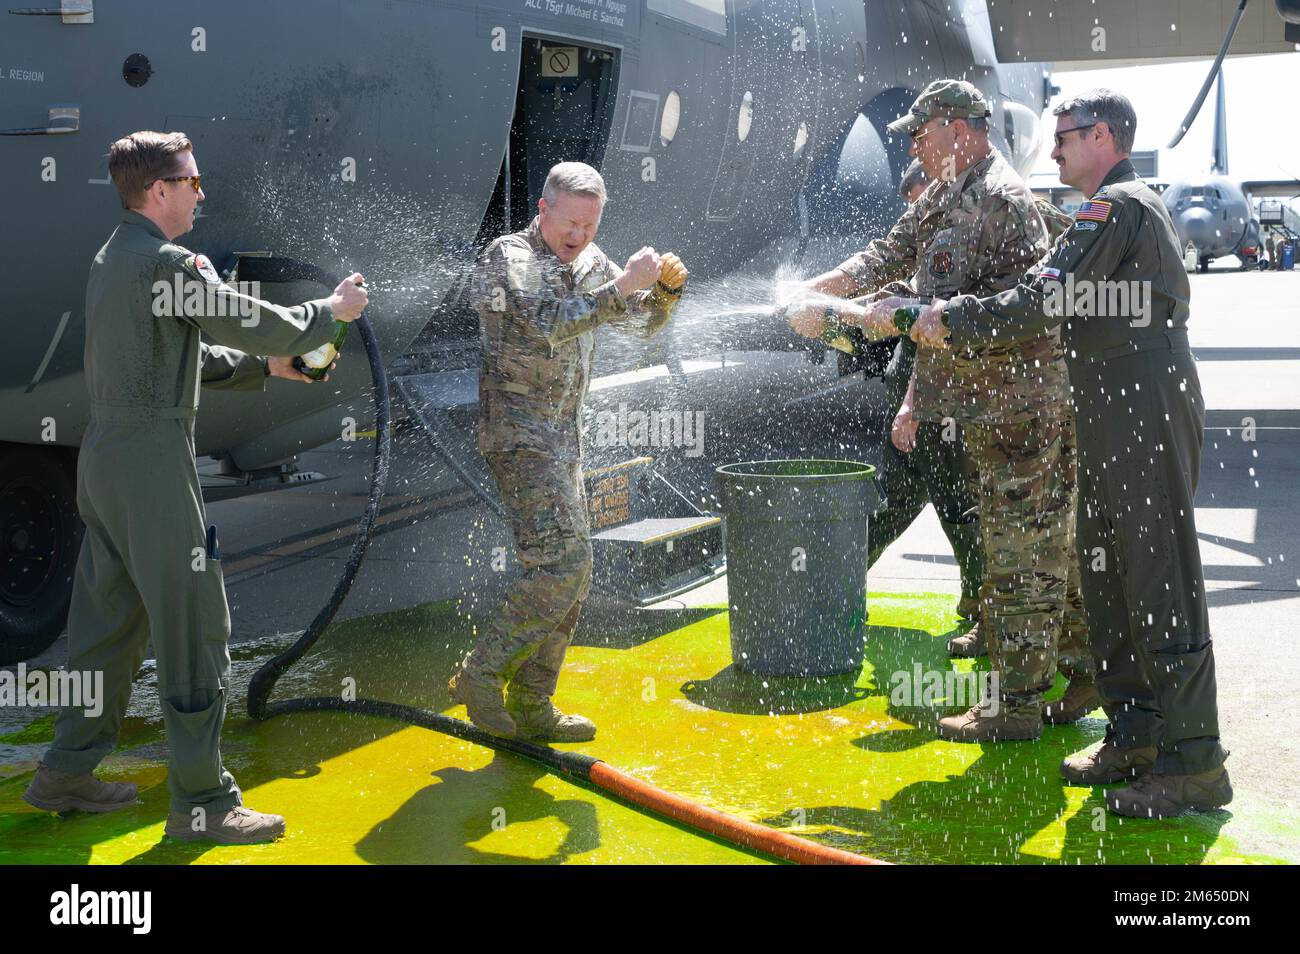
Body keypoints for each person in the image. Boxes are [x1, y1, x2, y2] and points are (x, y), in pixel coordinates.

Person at [22, 131, 369, 842]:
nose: (201, 193)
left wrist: (265, 372)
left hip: (107, 457)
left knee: (107, 621)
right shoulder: (170, 261)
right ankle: (204, 801)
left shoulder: (116, 257)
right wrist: (329, 315)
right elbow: (257, 325)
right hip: (152, 458)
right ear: (159, 192)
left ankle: (65, 771)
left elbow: (178, 347)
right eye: (191, 181)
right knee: (194, 624)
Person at [911, 89, 1231, 817]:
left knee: (1159, 576)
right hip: (1112, 400)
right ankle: (1137, 735)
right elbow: (1043, 289)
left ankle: (1194, 762)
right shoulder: (1103, 213)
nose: (1053, 149)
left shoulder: (1117, 209)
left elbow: (1041, 299)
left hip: (1141, 397)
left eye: (1067, 136)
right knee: (1111, 570)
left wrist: (950, 319)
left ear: (1107, 137)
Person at [788, 79, 1096, 741]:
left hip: (1022, 410)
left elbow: (1002, 314)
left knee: (1017, 556)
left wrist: (908, 317)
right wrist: (817, 295)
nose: (916, 148)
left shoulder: (1004, 201)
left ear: (960, 128)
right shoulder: (939, 197)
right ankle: (1083, 669)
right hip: (978, 408)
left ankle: (1014, 707)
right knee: (1039, 549)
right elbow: (884, 260)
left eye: (922, 134)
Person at [449, 162, 686, 742]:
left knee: (571, 573)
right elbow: (544, 325)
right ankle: (481, 674)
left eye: (589, 224)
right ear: (542, 209)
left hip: (562, 440)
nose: (579, 235)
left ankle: (533, 700)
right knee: (563, 565)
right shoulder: (511, 258)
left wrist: (666, 293)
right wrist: (624, 284)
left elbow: (634, 327)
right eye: (570, 222)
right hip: (519, 434)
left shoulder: (589, 262)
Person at [860, 160, 985, 641]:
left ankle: (983, 608)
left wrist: (912, 404)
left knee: (962, 509)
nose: (918, 221)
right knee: (894, 499)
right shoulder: (935, 240)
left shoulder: (977, 229)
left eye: (920, 207)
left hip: (942, 404)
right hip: (914, 405)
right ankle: (841, 581)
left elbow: (938, 331)